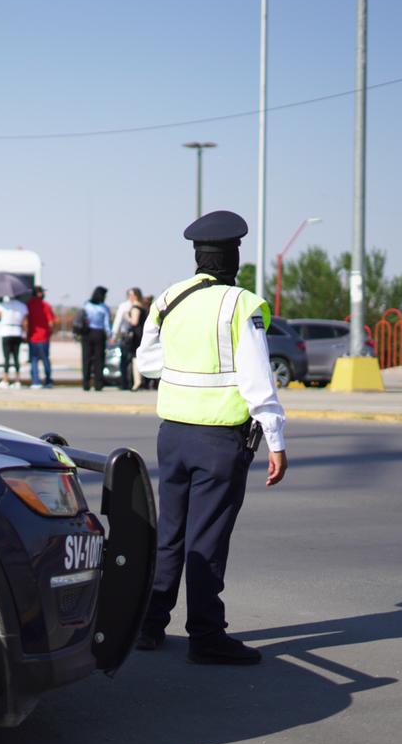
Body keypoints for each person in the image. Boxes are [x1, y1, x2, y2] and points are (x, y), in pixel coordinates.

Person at [134, 210, 288, 664]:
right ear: (234, 258)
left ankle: (148, 624)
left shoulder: (169, 297)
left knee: (171, 533)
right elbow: (259, 378)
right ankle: (205, 636)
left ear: (199, 257)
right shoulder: (241, 304)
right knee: (208, 539)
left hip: (172, 436)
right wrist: (275, 437)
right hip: (219, 440)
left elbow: (145, 362)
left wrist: (184, 371)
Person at [0, 294, 29, 388]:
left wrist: (0, 318)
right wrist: (25, 334)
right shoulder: (22, 306)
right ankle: (17, 380)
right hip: (17, 332)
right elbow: (25, 322)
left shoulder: (3, 305)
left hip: (6, 331)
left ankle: (5, 380)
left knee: (6, 358)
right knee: (16, 357)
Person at [113, 287, 143, 390]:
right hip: (126, 336)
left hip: (135, 336)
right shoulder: (124, 306)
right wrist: (114, 335)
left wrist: (127, 317)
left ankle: (135, 382)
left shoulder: (136, 307)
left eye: (133, 295)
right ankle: (125, 383)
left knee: (134, 359)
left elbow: (134, 322)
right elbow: (117, 321)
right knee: (125, 361)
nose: (131, 297)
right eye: (129, 295)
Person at [80, 286, 110, 391]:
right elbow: (106, 324)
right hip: (99, 334)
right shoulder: (104, 308)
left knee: (86, 359)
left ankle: (86, 383)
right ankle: (98, 384)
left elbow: (82, 318)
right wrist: (109, 335)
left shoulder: (86, 305)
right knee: (99, 360)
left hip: (86, 333)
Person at [26, 285, 56, 388]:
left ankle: (35, 382)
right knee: (45, 359)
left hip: (32, 337)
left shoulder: (28, 305)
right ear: (39, 293)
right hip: (43, 337)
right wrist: (49, 333)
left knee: (34, 360)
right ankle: (48, 381)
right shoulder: (46, 305)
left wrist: (26, 334)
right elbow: (51, 322)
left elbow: (26, 321)